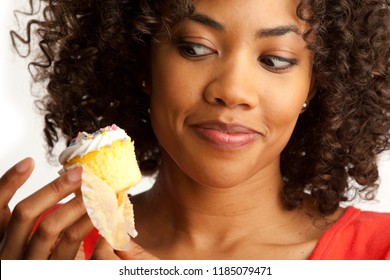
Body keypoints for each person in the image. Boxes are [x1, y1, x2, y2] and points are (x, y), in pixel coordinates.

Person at [1, 0, 389, 260]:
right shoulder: (47, 247)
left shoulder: (378, 253)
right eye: (195, 48)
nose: (232, 91)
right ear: (143, 63)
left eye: (275, 59)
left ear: (315, 84)